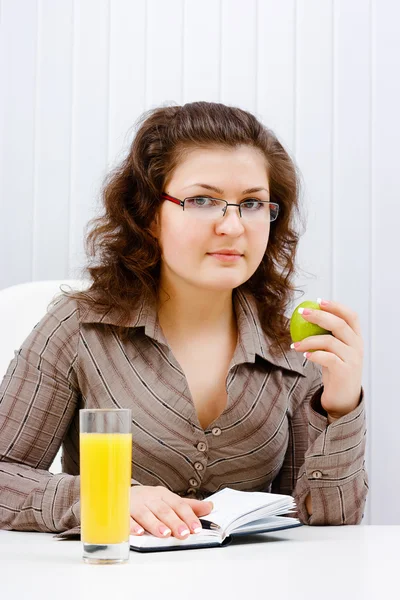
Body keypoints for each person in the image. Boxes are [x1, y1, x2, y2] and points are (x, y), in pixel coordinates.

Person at [0, 102, 367, 540]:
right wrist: (105, 495)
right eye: (202, 201)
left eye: (252, 203)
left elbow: (325, 522)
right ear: (149, 213)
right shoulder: (78, 328)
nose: (233, 227)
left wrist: (341, 404)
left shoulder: (293, 347)